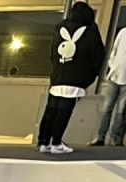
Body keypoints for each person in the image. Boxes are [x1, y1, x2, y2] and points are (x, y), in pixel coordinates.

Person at [37, 1, 105, 155]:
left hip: (58, 75)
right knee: (64, 110)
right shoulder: (90, 31)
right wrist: (91, 75)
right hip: (76, 78)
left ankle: (44, 142)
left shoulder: (60, 28)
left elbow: (52, 52)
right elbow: (97, 55)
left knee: (51, 109)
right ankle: (56, 142)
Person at [90, 24, 126, 147]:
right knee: (107, 108)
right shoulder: (123, 32)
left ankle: (115, 139)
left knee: (121, 110)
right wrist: (112, 65)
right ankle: (101, 137)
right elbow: (114, 50)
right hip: (114, 75)